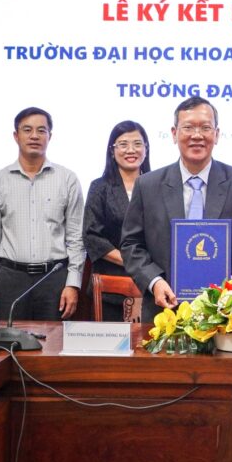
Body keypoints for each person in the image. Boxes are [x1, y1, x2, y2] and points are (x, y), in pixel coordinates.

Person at [121, 96, 232, 322]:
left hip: (227, 313)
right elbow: (131, 244)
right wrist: (155, 281)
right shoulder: (148, 185)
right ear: (174, 133)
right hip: (165, 311)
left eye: (205, 128)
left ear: (216, 134)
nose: (197, 135)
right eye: (188, 127)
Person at [0, 107, 86, 323]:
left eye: (41, 130)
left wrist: (72, 283)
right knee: (8, 347)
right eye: (27, 130)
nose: (34, 136)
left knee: (53, 350)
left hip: (54, 278)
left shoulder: (68, 179)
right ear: (16, 136)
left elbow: (76, 238)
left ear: (50, 136)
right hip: (10, 279)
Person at [84, 121, 151, 321]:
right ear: (112, 151)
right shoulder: (100, 187)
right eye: (123, 144)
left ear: (146, 149)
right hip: (111, 286)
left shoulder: (158, 186)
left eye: (137, 144)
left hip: (152, 284)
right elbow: (91, 236)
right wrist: (131, 260)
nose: (131, 150)